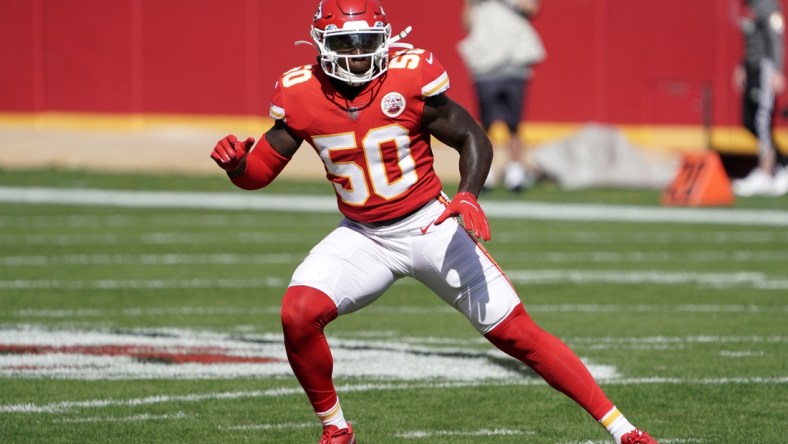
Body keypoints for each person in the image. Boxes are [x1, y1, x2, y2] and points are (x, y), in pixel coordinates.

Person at [210, 1, 658, 443]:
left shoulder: (407, 79)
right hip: (363, 236)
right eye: (345, 42)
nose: (357, 54)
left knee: (518, 333)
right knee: (297, 313)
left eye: (366, 42)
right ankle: (335, 428)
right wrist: (236, 166)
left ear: (384, 41)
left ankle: (624, 431)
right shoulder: (302, 93)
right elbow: (259, 173)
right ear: (321, 44)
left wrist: (467, 195)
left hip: (429, 222)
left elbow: (472, 138)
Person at [458, 0, 545, 192]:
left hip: (514, 61)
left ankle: (515, 171)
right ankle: (484, 171)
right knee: (486, 122)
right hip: (485, 63)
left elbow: (532, 8)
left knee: (513, 122)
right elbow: (466, 24)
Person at [731, 0, 788, 196]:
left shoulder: (767, 6)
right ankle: (781, 165)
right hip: (753, 66)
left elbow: (775, 37)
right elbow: (751, 40)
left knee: (762, 120)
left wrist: (777, 70)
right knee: (749, 121)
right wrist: (742, 65)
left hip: (766, 67)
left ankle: (765, 171)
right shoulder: (749, 5)